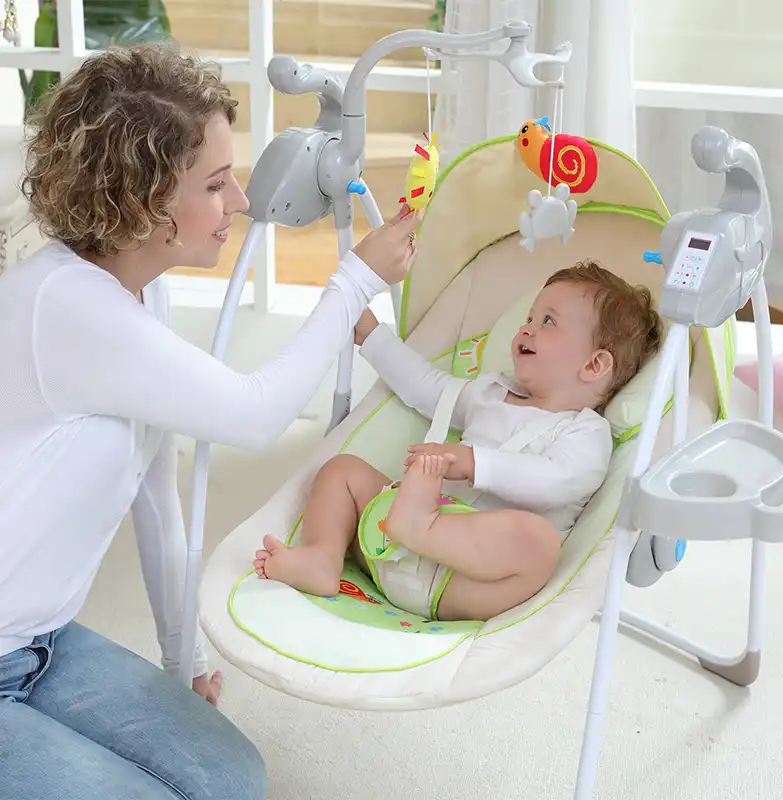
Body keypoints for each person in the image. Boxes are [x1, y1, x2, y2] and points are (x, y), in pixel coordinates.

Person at [0, 43, 419, 799]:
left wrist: (181, 658)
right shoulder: (64, 306)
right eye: (216, 184)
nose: (241, 204)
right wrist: (354, 281)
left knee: (232, 780)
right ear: (144, 200)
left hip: (44, 643)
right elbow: (255, 416)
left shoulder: (136, 291)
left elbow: (156, 495)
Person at [253, 262, 661, 622]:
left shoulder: (586, 433)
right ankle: (324, 557)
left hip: (466, 581)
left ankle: (421, 527)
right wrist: (373, 337)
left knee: (538, 545)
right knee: (341, 471)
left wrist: (474, 463)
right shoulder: (490, 393)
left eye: (548, 322)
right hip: (387, 543)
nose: (526, 327)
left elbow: (554, 481)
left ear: (594, 365)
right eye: (531, 317)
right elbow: (428, 388)